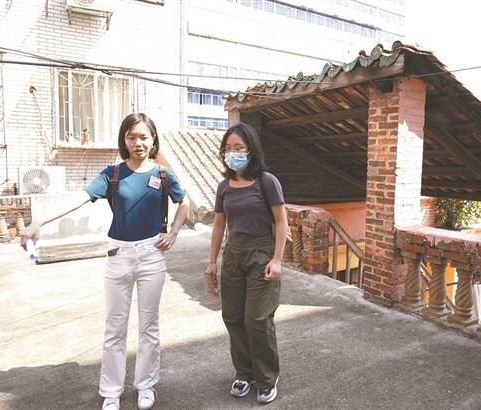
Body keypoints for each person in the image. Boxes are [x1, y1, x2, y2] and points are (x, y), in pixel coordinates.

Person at [21, 113, 187, 410]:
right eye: (131, 137)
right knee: (115, 327)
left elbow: (183, 202)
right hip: (118, 254)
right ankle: (112, 391)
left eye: (143, 136)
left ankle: (146, 385)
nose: (138, 143)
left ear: (153, 139)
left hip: (151, 254)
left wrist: (173, 232)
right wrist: (38, 222)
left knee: (149, 325)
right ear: (124, 140)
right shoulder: (112, 173)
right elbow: (80, 197)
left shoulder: (163, 174)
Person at [206, 122, 287, 404]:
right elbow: (219, 225)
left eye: (239, 148)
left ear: (251, 151)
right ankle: (244, 372)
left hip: (261, 252)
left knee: (257, 319)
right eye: (228, 148)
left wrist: (277, 259)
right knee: (232, 316)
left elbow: (281, 221)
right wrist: (212, 262)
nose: (233, 153)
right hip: (234, 253)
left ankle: (266, 377)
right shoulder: (224, 187)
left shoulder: (267, 181)